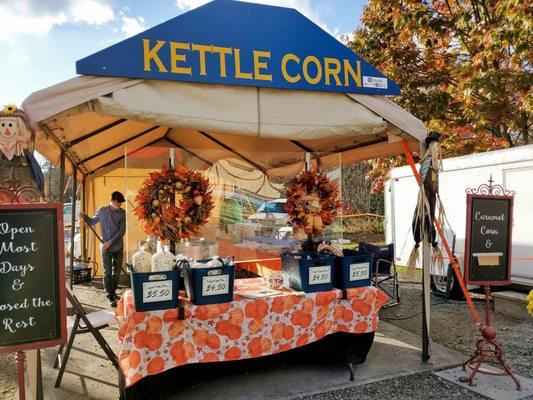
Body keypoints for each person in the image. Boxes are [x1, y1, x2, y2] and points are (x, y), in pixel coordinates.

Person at [81, 191, 126, 307]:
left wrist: (110, 242)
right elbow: (91, 222)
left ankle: (113, 291)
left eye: (120, 204)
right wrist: (84, 216)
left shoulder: (122, 213)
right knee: (107, 272)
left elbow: (122, 232)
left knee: (116, 272)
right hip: (105, 247)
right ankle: (110, 295)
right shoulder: (102, 211)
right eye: (117, 203)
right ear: (111, 200)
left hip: (118, 246)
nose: (119, 205)